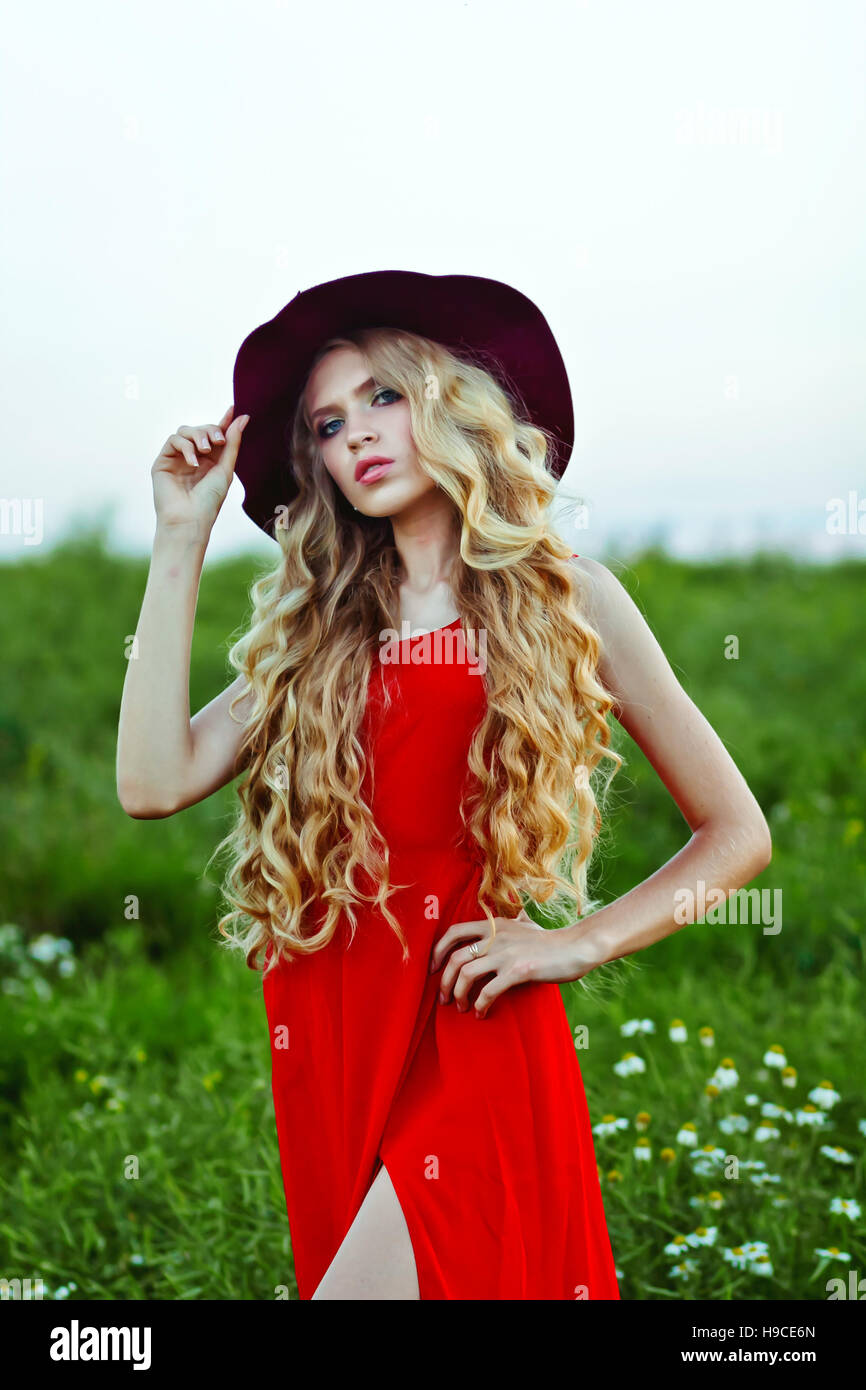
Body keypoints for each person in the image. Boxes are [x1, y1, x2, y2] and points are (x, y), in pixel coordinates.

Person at [116, 271, 772, 1301]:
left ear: (446, 400)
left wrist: (575, 941)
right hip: (329, 1030)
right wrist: (178, 537)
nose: (358, 436)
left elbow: (735, 831)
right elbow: (152, 783)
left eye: (383, 396)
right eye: (328, 424)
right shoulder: (315, 631)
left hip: (474, 1017)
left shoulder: (567, 595)